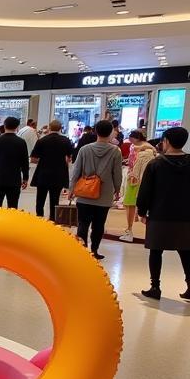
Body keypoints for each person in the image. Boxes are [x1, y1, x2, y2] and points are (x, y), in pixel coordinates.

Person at [136, 126, 190, 299]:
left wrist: (142, 211)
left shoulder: (156, 164)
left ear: (166, 141)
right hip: (186, 216)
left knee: (156, 251)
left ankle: (155, 287)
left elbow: (145, 191)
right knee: (186, 251)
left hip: (160, 214)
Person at [69, 119, 123, 260]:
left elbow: (76, 171)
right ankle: (94, 250)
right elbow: (117, 173)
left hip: (84, 193)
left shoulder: (85, 149)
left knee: (82, 223)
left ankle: (82, 251)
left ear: (95, 131)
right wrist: (117, 190)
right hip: (104, 195)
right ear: (111, 132)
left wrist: (71, 189)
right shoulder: (115, 151)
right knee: (99, 225)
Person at [29, 119, 74, 221]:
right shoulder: (66, 141)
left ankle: (39, 218)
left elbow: (33, 159)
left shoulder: (42, 140)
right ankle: (53, 219)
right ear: (60, 128)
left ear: (49, 128)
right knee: (55, 199)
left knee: (40, 199)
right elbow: (69, 158)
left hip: (43, 174)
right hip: (58, 174)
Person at [0, 115, 29, 208]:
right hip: (14, 179)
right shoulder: (21, 142)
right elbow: (24, 161)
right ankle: (11, 222)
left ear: (4, 126)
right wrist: (25, 177)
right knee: (13, 206)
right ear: (17, 127)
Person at [119, 130, 157, 242]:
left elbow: (143, 166)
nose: (130, 139)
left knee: (131, 205)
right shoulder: (136, 146)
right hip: (134, 178)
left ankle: (130, 230)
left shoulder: (146, 149)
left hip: (136, 180)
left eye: (131, 137)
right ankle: (130, 229)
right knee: (130, 205)